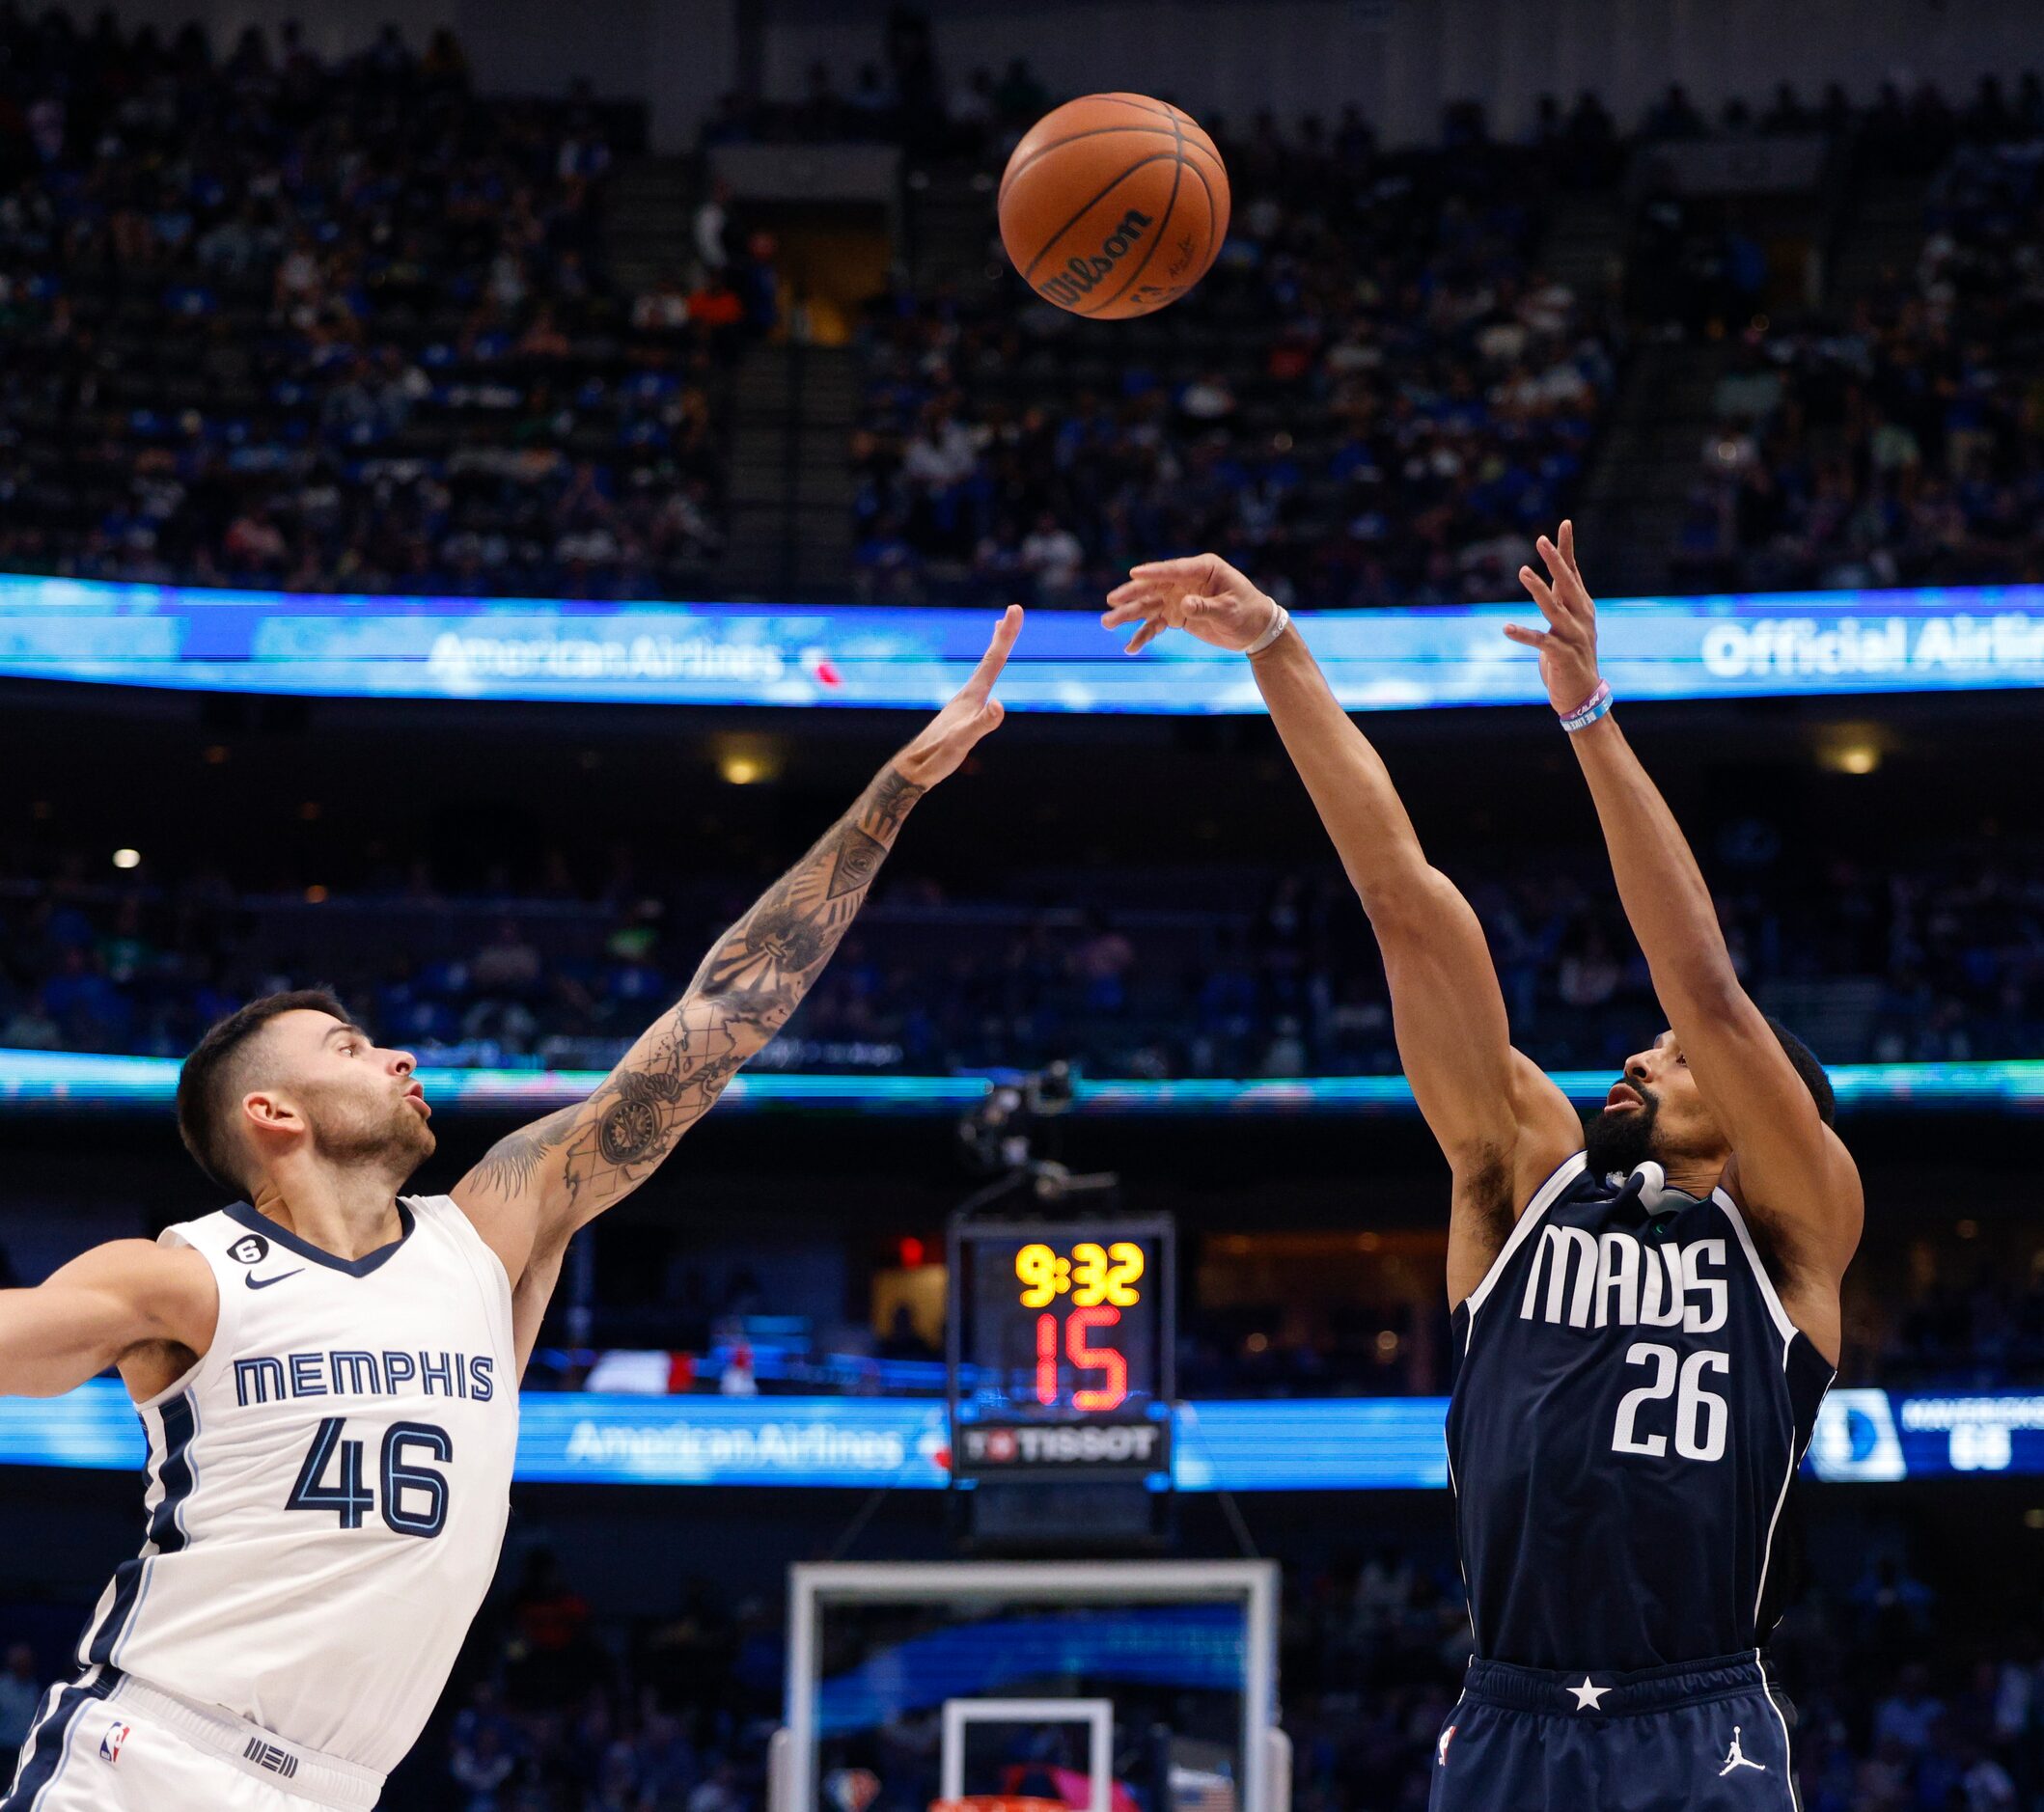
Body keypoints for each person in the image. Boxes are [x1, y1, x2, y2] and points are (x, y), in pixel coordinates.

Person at [0, 610, 1023, 1810]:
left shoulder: (488, 1233)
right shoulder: (182, 1279)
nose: (397, 1056)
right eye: (351, 1044)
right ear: (272, 1112)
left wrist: (895, 791)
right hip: (149, 1762)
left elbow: (721, 1016)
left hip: (337, 1789)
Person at [1104, 528, 1861, 1811]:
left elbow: (1711, 993)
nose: (1640, 1052)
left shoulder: (1789, 1236)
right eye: (1650, 1044)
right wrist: (1278, 652)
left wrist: (1591, 718)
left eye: (1671, 1059)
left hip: (1702, 1713)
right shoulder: (1518, 1174)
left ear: (1748, 1113)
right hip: (1508, 1709)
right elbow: (1401, 896)